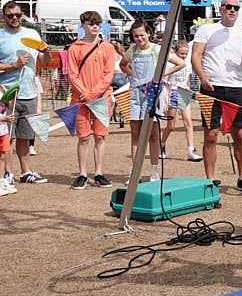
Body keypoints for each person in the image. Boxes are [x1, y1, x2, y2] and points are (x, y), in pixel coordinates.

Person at [191, 0, 242, 192]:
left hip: (235, 88)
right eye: (228, 6)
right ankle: (210, 180)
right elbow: (195, 55)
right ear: (220, 9)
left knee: (240, 135)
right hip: (211, 87)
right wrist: (202, 76)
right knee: (211, 135)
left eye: (236, 7)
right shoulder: (207, 29)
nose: (232, 10)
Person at [121, 20, 183, 183]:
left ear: (149, 33)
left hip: (153, 95)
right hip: (136, 94)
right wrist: (133, 75)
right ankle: (135, 172)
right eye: (136, 36)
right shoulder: (132, 50)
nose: (139, 39)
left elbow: (180, 63)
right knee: (135, 134)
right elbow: (123, 65)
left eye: (142, 35)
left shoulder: (157, 50)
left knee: (153, 135)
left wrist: (163, 74)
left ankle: (154, 171)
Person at [66, 11, 117, 189]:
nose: (95, 27)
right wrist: (85, 93)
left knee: (100, 136)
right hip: (80, 99)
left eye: (97, 24)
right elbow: (72, 75)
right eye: (91, 23)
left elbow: (108, 74)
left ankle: (99, 173)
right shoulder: (74, 48)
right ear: (83, 26)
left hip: (102, 98)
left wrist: (94, 93)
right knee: (83, 137)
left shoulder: (108, 48)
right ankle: (82, 174)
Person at [0, 0, 49, 182]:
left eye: (18, 15)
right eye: (10, 15)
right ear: (4, 17)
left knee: (25, 136)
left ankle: (26, 172)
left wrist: (47, 52)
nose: (14, 18)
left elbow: (43, 62)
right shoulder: (1, 36)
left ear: (22, 15)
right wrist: (14, 65)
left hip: (29, 93)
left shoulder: (32, 34)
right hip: (7, 94)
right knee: (6, 138)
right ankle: (6, 174)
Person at [160, 40, 203, 162]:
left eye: (186, 53)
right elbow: (165, 81)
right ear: (176, 52)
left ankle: (191, 150)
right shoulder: (170, 64)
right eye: (181, 53)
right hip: (173, 92)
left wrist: (190, 89)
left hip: (184, 93)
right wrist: (165, 99)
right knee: (171, 126)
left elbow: (188, 78)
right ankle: (161, 144)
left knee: (188, 122)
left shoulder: (188, 64)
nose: (184, 56)